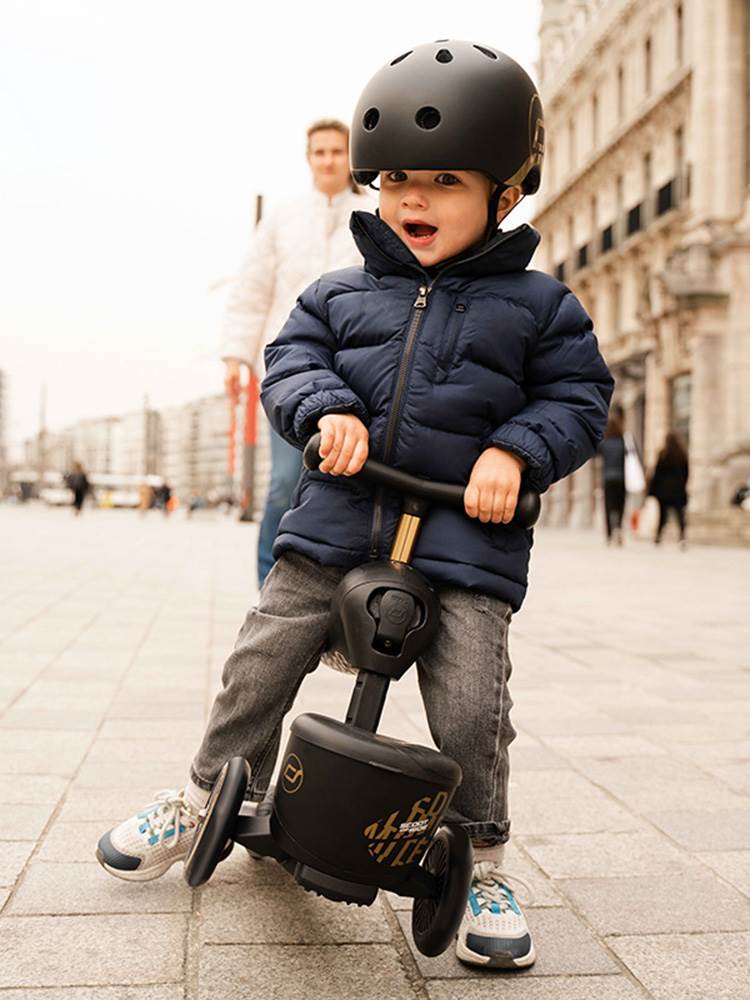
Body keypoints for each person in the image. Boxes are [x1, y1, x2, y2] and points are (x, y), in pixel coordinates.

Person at [96, 41, 613, 971]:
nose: (412, 200)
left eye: (444, 180)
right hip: (337, 523)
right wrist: (326, 409)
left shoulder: (541, 307)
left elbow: (577, 399)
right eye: (398, 181)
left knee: (470, 701)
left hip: (466, 540)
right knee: (263, 654)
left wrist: (514, 451)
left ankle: (481, 853)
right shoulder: (338, 293)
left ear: (505, 193)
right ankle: (205, 788)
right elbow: (290, 362)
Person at [221, 118, 371, 587]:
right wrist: (235, 357)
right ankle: (269, 587)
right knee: (285, 482)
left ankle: (338, 589)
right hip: (288, 368)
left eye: (335, 151)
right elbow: (252, 288)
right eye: (319, 152)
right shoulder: (282, 218)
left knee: (347, 483)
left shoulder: (374, 215)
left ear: (350, 156)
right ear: (308, 159)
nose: (328, 160)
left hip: (353, 369)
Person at [648, 431, 689, 546]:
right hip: (678, 490)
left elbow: (657, 473)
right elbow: (686, 473)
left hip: (664, 490)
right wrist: (682, 485)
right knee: (679, 515)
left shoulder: (663, 454)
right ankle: (682, 537)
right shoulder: (682, 454)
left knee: (662, 515)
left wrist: (653, 489)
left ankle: (658, 536)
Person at [597, 410, 626, 545]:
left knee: (608, 507)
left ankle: (609, 535)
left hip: (608, 478)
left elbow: (595, 455)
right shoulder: (623, 443)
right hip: (621, 478)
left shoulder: (605, 443)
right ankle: (618, 528)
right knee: (620, 505)